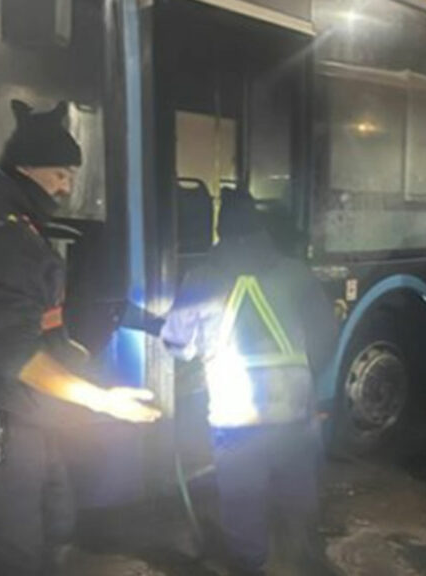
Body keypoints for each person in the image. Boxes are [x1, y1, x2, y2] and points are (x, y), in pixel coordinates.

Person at [0, 99, 160, 576]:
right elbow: (17, 355)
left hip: (22, 418)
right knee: (16, 556)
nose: (66, 187)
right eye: (60, 174)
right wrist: (103, 402)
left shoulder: (9, 227)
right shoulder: (1, 239)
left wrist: (82, 364)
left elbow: (39, 324)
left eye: (72, 175)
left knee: (52, 529)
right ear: (26, 168)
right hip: (0, 429)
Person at [160, 188, 339, 576]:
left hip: (235, 414)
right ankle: (305, 557)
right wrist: (306, 379)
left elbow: (177, 345)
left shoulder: (201, 278)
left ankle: (250, 565)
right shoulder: (296, 273)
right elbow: (326, 334)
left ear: (220, 232)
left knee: (242, 497)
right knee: (299, 488)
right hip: (295, 409)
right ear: (261, 229)